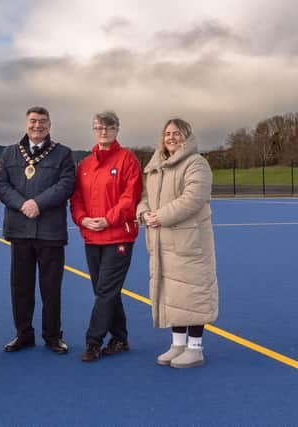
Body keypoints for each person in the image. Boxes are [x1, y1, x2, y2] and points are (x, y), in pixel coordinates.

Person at [136, 118, 218, 368]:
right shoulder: (155, 165)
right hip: (162, 243)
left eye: (177, 133)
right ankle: (178, 344)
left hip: (189, 243)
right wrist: (143, 214)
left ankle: (195, 348)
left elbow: (193, 199)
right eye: (167, 133)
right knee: (172, 294)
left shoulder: (197, 164)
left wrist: (158, 217)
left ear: (187, 136)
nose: (171, 137)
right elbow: (145, 197)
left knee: (192, 293)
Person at [0, 106, 75, 354]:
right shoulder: (10, 153)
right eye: (33, 121)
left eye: (42, 121)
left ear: (49, 125)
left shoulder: (62, 153)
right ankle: (23, 334)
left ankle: (52, 336)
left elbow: (66, 185)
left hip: (50, 232)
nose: (37, 126)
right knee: (20, 287)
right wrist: (23, 204)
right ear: (26, 124)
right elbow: (1, 184)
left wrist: (37, 203)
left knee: (51, 289)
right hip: (20, 230)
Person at [70, 111, 142, 362]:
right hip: (92, 237)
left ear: (117, 130)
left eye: (109, 127)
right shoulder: (86, 164)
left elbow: (129, 198)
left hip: (118, 237)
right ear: (94, 130)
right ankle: (120, 338)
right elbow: (77, 198)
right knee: (106, 292)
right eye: (99, 127)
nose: (104, 131)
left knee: (105, 291)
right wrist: (83, 219)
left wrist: (108, 219)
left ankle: (93, 342)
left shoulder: (127, 159)